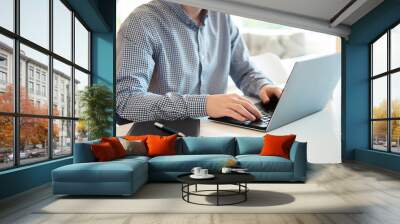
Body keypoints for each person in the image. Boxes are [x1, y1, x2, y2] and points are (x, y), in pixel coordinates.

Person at [116, 0, 283, 123]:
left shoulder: (222, 15)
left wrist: (263, 86)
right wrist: (204, 104)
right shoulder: (141, 23)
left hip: (213, 131)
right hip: (161, 137)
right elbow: (127, 100)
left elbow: (244, 71)